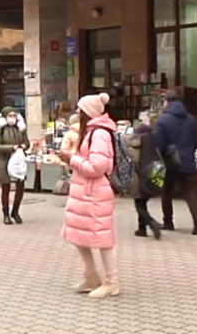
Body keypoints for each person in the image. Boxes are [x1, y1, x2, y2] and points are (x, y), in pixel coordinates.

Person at [60, 92, 120, 298]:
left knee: (101, 237)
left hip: (95, 191)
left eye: (80, 109)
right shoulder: (90, 131)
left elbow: (97, 166)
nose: (77, 112)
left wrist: (72, 159)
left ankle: (111, 282)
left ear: (88, 112)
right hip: (84, 190)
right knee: (78, 234)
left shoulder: (99, 133)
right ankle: (90, 276)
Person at [154, 90, 197, 235]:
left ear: (167, 102)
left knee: (166, 192)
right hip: (187, 159)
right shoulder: (191, 119)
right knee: (189, 191)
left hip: (169, 161)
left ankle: (168, 221)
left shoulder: (162, 121)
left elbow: (159, 143)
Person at [0, 108, 29, 225]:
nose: (12, 117)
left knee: (20, 187)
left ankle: (16, 212)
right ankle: (6, 214)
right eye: (10, 115)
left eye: (14, 115)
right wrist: (11, 148)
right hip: (3, 161)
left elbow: (27, 143)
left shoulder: (20, 128)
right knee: (6, 188)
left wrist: (23, 146)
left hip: (18, 161)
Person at [127, 123, 163, 240]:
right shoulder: (152, 146)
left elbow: (130, 163)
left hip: (137, 178)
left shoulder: (132, 146)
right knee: (143, 203)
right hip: (149, 178)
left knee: (139, 205)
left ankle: (152, 223)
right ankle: (141, 229)